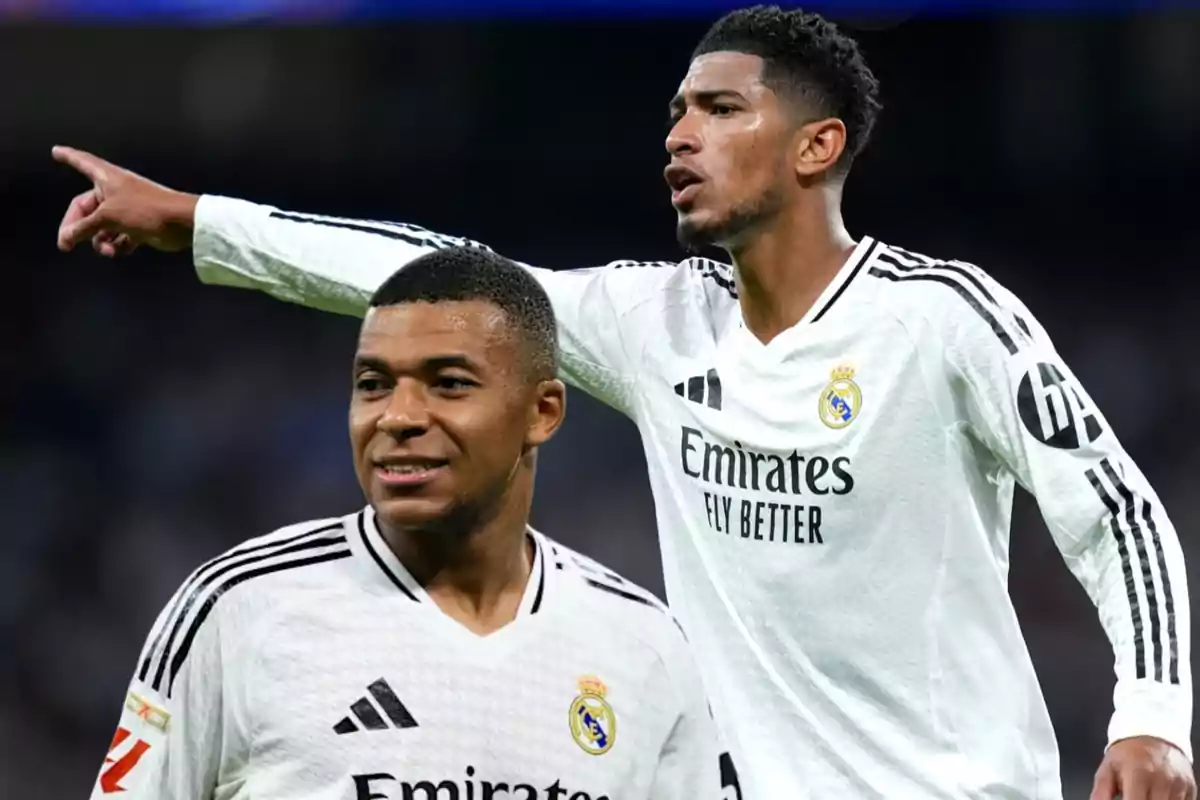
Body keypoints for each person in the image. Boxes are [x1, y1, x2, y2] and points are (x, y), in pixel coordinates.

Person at [54, 5, 1193, 799]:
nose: (678, 135)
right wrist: (202, 223)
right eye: (673, 114)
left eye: (717, 109)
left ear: (817, 144)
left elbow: (1119, 513)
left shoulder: (946, 318)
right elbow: (446, 269)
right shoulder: (654, 323)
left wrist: (1151, 713)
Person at [85, 246, 724, 800]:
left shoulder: (643, 645)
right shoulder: (240, 610)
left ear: (543, 412)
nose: (398, 416)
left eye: (447, 383)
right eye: (373, 384)